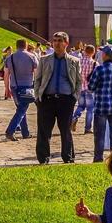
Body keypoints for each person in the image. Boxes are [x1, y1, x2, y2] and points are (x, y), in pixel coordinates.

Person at [33, 32, 81, 165]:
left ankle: (68, 156)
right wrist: (38, 96)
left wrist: (74, 96)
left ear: (66, 43)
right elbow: (37, 80)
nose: (57, 43)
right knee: (44, 130)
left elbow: (78, 81)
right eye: (54, 41)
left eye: (60, 41)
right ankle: (43, 158)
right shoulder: (44, 59)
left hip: (66, 100)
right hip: (47, 99)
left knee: (65, 129)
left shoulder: (74, 61)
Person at [2, 38, 37, 141]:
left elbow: (6, 75)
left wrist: (6, 88)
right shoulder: (32, 57)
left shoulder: (10, 58)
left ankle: (25, 133)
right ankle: (10, 130)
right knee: (22, 110)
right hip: (27, 87)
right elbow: (37, 74)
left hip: (14, 86)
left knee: (21, 109)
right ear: (26, 46)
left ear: (16, 46)